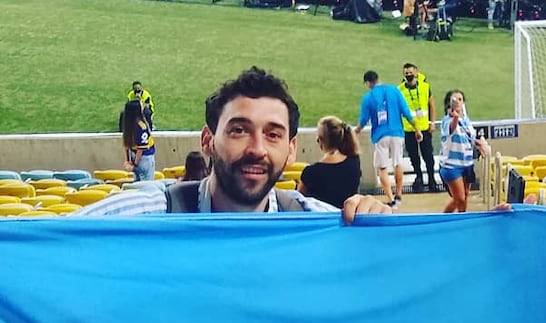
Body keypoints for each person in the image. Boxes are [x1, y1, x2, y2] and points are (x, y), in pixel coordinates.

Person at [75, 67, 388, 221]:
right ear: (208, 140)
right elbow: (36, 247)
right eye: (239, 130)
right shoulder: (140, 217)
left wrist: (384, 232)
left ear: (292, 149)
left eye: (273, 134)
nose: (257, 148)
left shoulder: (325, 223)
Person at [355, 70, 423, 208]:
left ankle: (391, 199)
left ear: (368, 83)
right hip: (397, 133)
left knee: (382, 168)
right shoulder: (394, 90)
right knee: (398, 163)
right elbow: (406, 112)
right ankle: (399, 194)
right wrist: (417, 129)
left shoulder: (368, 98)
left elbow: (363, 120)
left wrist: (355, 131)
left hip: (380, 135)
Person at [439, 89, 488, 213]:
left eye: (460, 99)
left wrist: (479, 144)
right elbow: (452, 129)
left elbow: (469, 138)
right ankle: (443, 219)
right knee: (459, 198)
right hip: (452, 166)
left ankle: (462, 218)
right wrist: (455, 116)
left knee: (465, 196)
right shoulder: (447, 121)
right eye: (454, 100)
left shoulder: (466, 120)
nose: (458, 102)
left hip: (467, 163)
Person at [299, 116, 361, 209]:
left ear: (321, 140)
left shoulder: (311, 172)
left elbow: (298, 201)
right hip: (348, 217)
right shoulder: (354, 161)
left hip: (322, 221)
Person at [397, 63, 438, 192]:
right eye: (406, 73)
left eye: (410, 72)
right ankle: (419, 178)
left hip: (425, 128)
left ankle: (432, 180)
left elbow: (431, 105)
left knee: (428, 156)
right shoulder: (400, 90)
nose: (409, 75)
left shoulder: (425, 87)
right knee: (413, 156)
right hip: (409, 129)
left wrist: (432, 123)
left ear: (416, 72)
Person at [120, 99, 155, 182]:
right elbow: (141, 148)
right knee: (147, 184)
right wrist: (135, 164)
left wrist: (127, 161)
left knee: (137, 182)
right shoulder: (141, 126)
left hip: (133, 156)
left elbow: (126, 144)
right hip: (144, 158)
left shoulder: (127, 124)